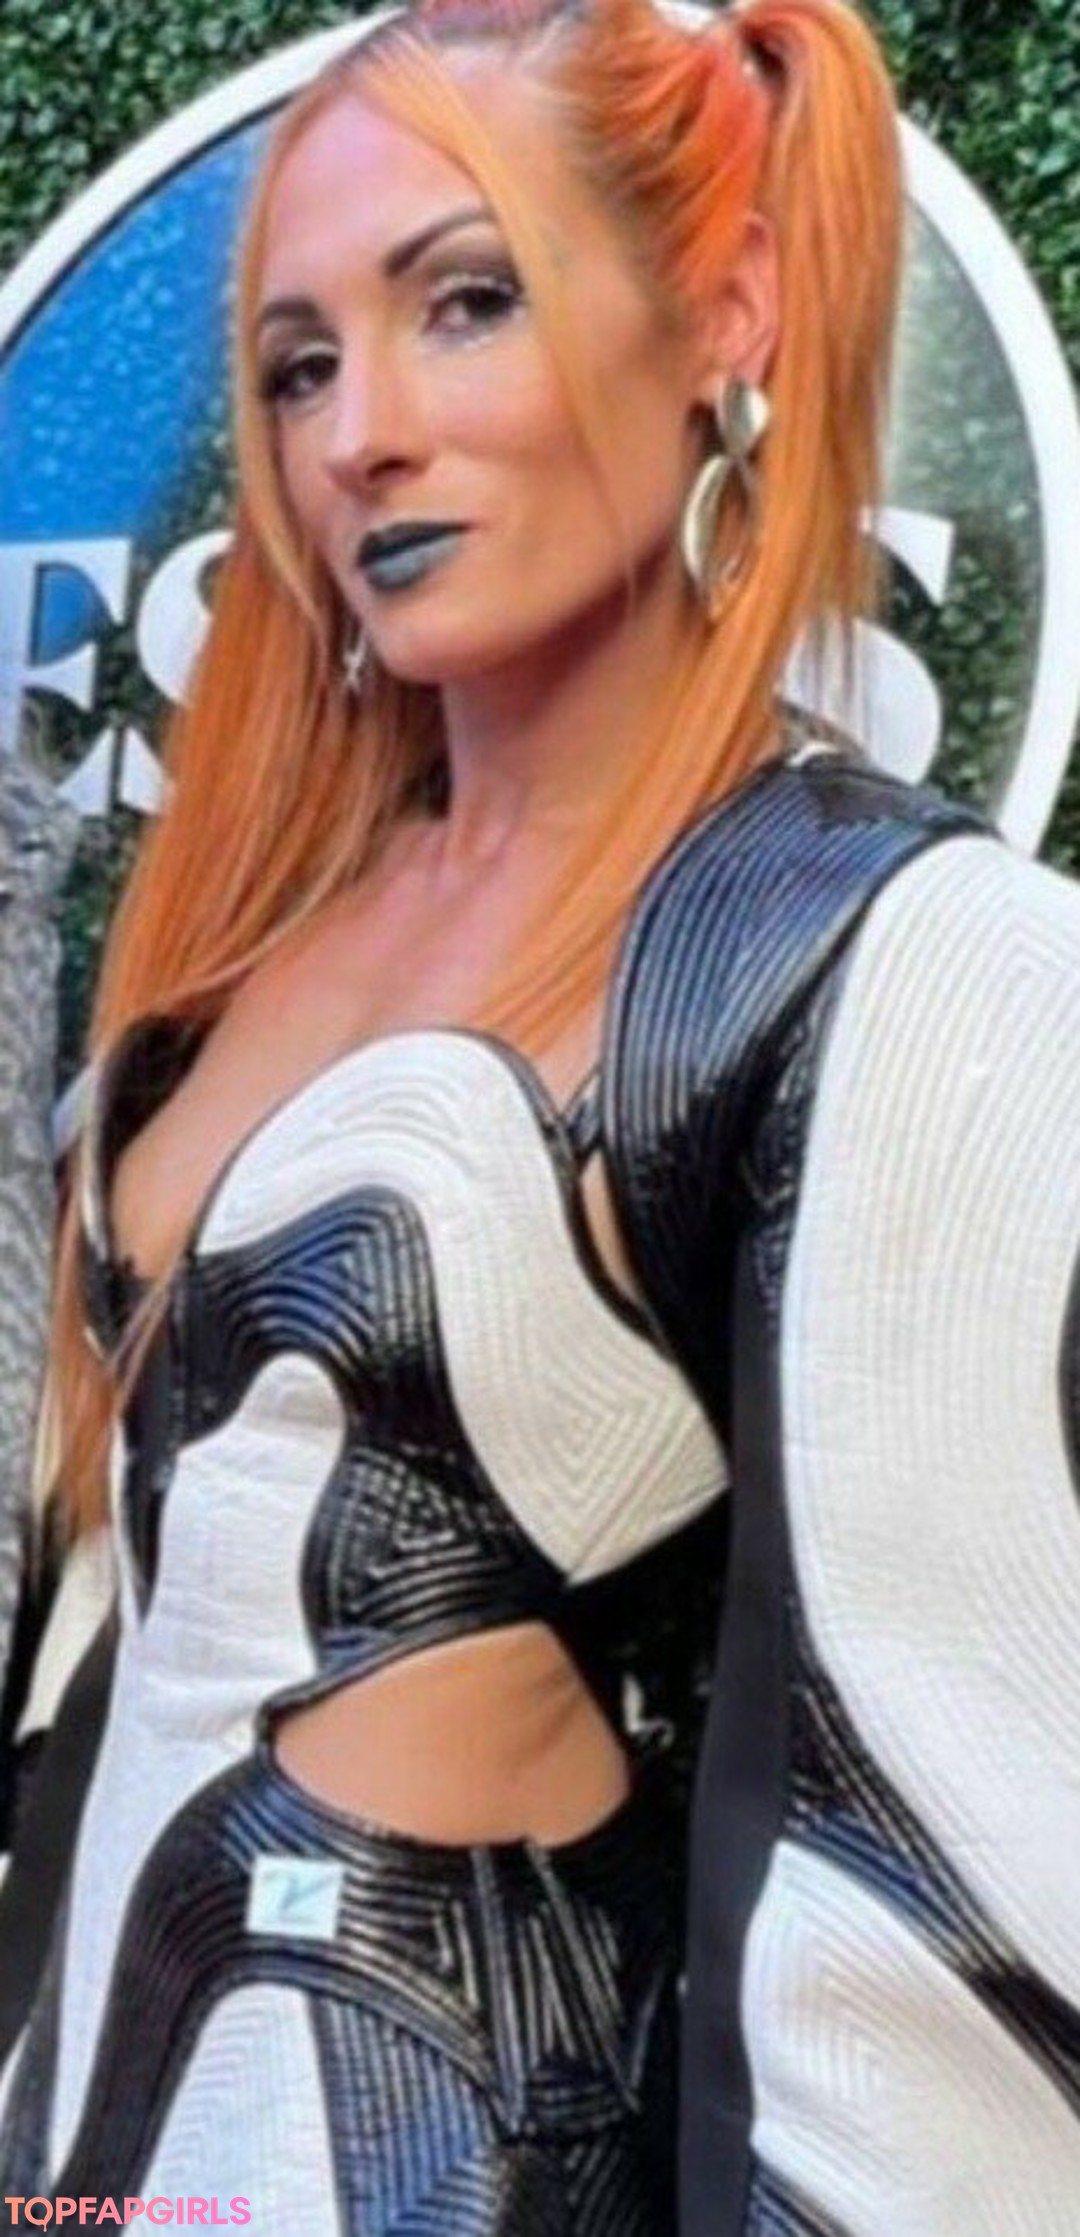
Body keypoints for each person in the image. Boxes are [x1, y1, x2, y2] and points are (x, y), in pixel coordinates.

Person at [3, 0, 1080, 2228]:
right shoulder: (222, 957)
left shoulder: (904, 951)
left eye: (464, 301)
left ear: (727, 316)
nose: (361, 435)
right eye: (300, 367)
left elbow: (950, 1897)